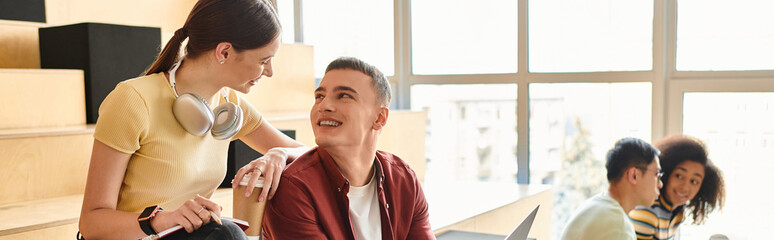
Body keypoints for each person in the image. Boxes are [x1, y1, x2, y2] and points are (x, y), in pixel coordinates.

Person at [77, 0, 308, 239]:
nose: (269, 72)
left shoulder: (229, 108)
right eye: (263, 61)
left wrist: (279, 153)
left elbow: (310, 155)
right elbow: (92, 222)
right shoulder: (133, 100)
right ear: (224, 52)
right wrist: (159, 219)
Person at [261, 57, 435, 239]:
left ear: (379, 118)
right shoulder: (293, 188)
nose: (324, 106)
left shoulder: (404, 179)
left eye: (344, 96)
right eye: (319, 96)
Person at [560, 137, 663, 240]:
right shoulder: (619, 226)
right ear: (634, 175)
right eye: (657, 174)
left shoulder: (592, 207)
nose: (660, 184)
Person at [629, 135, 725, 240]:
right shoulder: (647, 212)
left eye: (694, 181)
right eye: (679, 176)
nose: (685, 187)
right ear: (666, 173)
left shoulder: (677, 212)